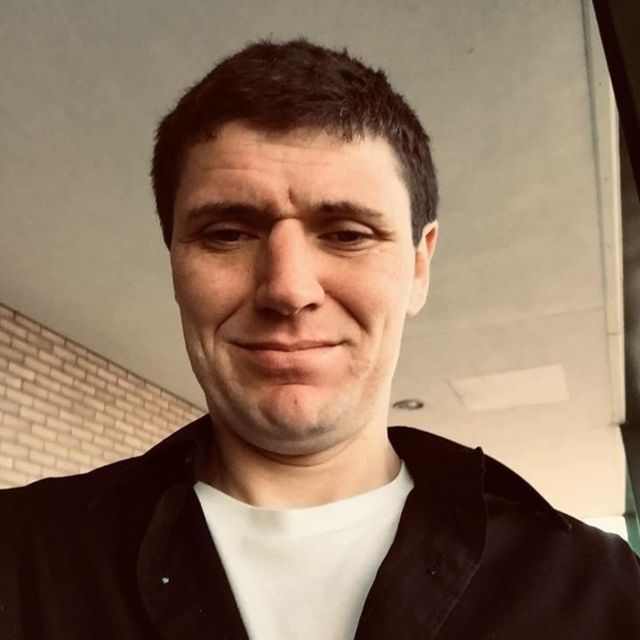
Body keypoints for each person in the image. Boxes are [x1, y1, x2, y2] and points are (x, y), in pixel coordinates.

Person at [1, 38, 639, 640]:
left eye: (347, 234)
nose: (287, 289)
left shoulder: (595, 588)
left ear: (419, 266)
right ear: (174, 263)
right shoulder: (21, 556)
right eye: (227, 233)